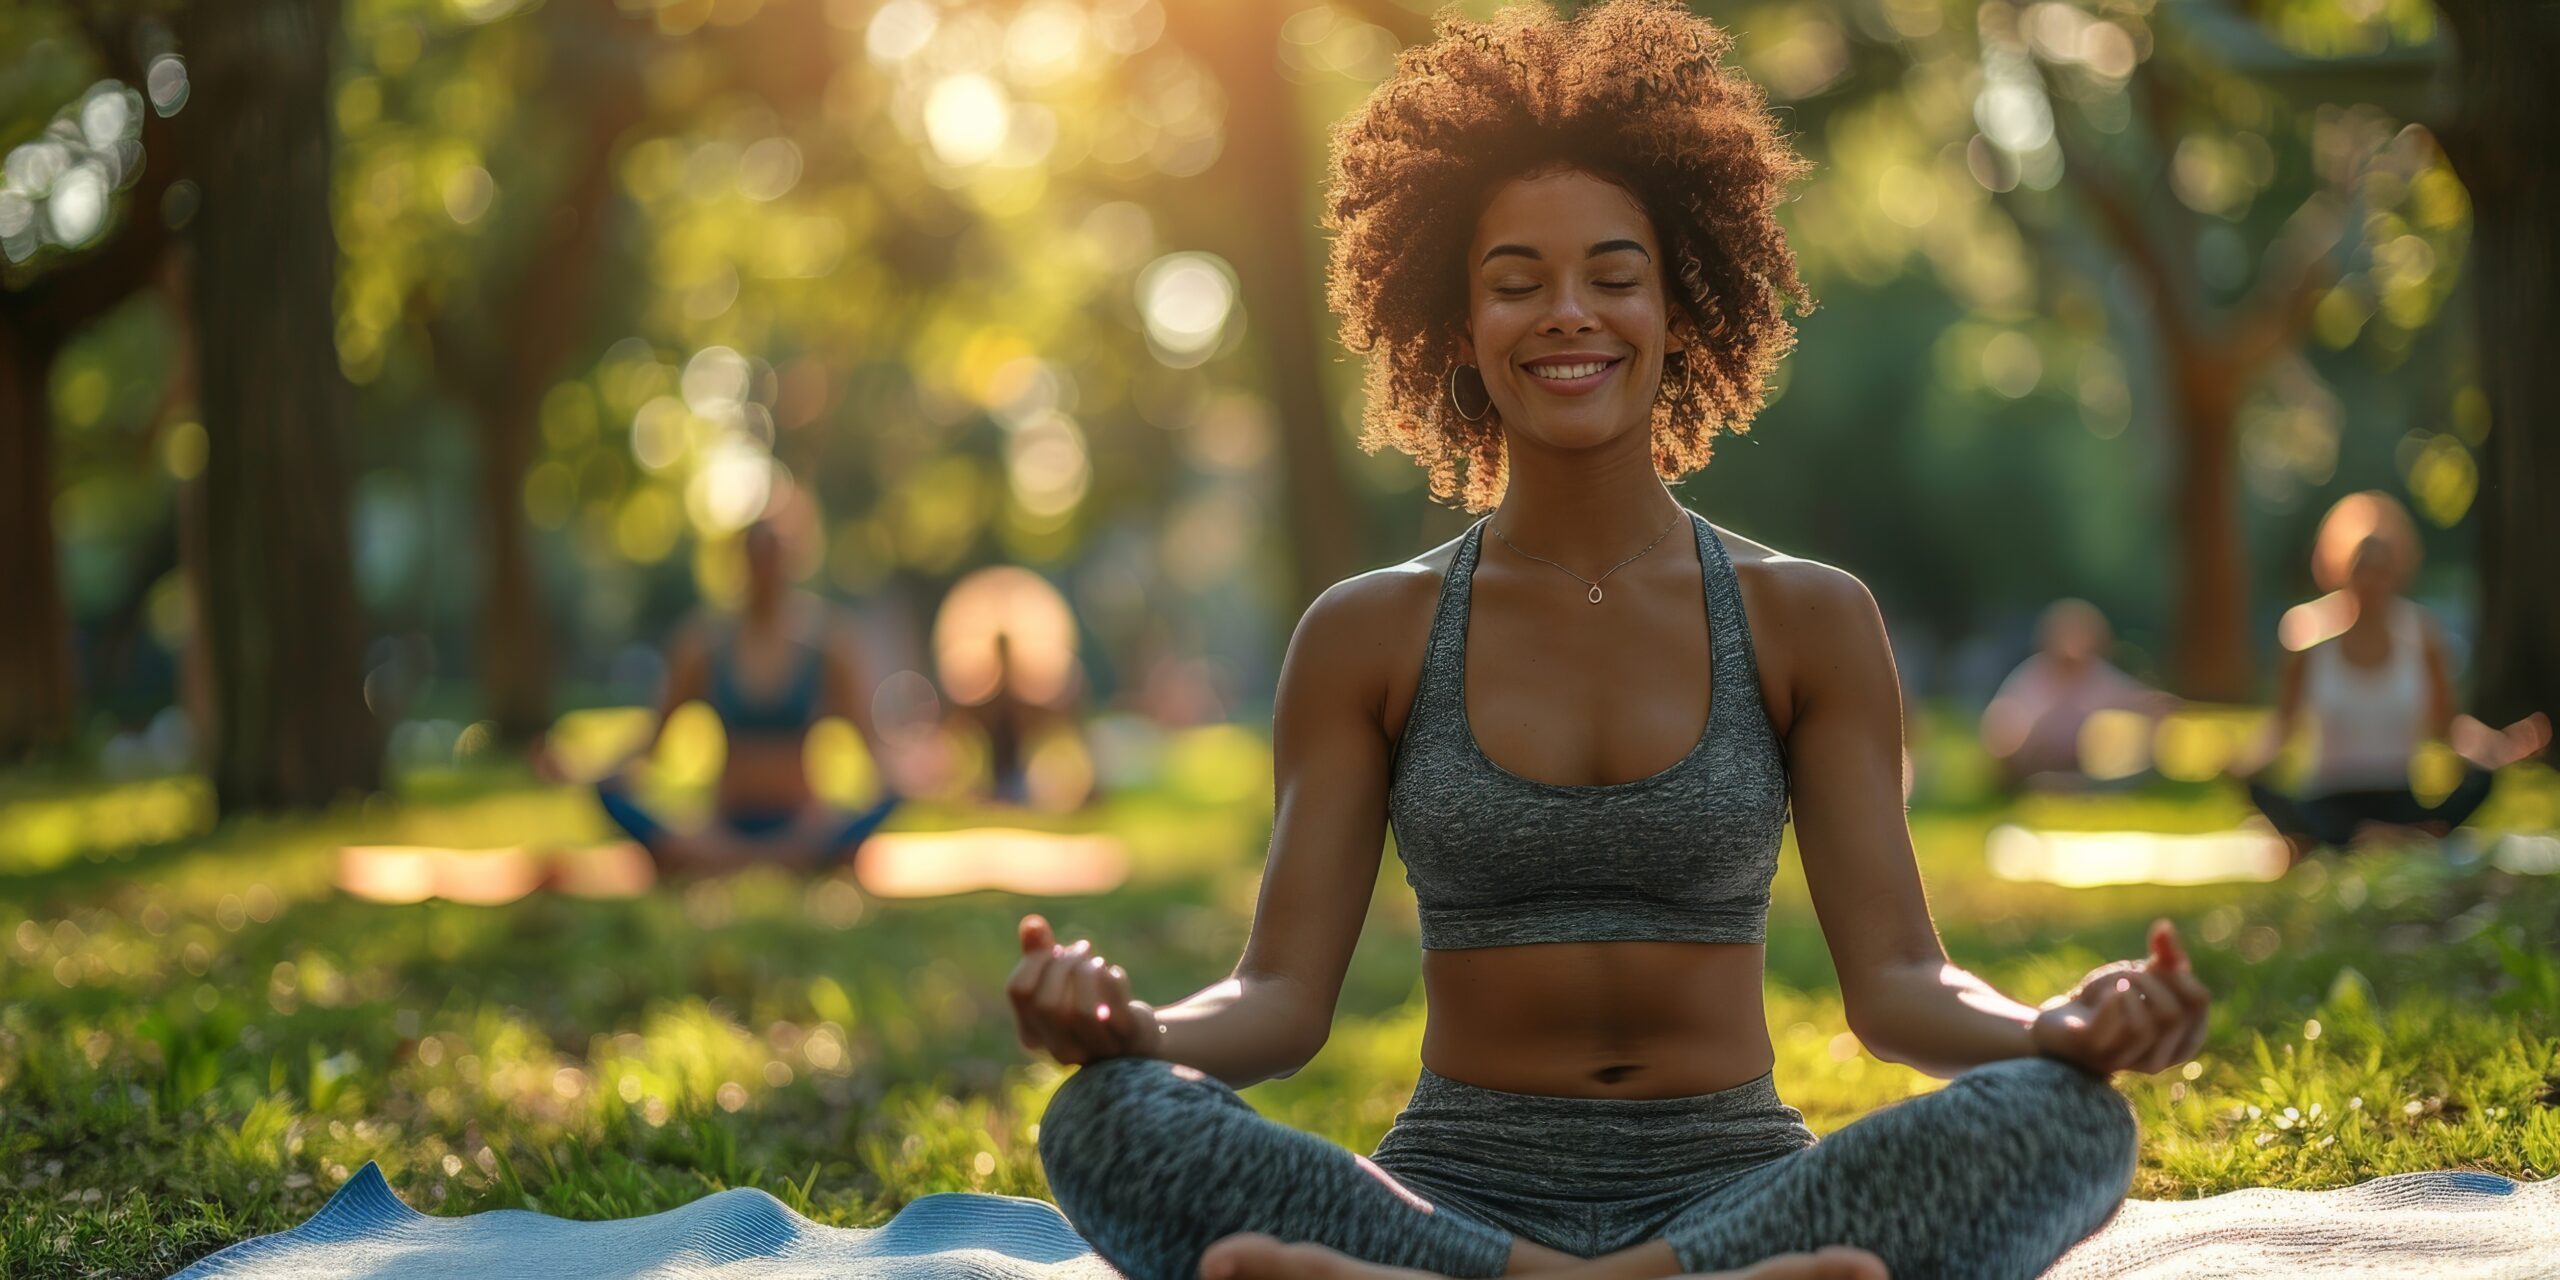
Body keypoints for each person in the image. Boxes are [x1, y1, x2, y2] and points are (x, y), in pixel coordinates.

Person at [1007, 6, 2209, 1279]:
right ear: (1458, 324)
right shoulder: (1369, 634)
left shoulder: (1805, 616)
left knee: (2069, 1118)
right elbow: (1278, 1001)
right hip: (1454, 1190)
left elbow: (1905, 982)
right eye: (1516, 282)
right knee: (1108, 1117)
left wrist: (2056, 1026)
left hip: (1735, 1185)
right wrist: (1139, 1030)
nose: (1567, 313)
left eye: (1613, 276)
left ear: (1680, 308)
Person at [2236, 499, 2550, 862]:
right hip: (2330, 801)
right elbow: (2284, 727)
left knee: (2481, 781)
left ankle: (2369, 838)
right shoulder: (2306, 636)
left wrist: (2498, 748)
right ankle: (2391, 838)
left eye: (2380, 569)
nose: (2371, 580)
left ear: (2397, 571)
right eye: (2362, 567)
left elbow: (2445, 729)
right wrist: (2243, 762)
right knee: (2266, 793)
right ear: (2341, 567)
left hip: (2400, 798)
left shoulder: (2422, 635)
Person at [593, 516, 901, 874]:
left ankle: (772, 859)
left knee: (874, 814)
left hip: (806, 829)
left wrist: (910, 775)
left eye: (774, 556)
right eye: (756, 556)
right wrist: (591, 769)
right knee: (616, 802)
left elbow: (872, 746)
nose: (765, 569)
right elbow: (652, 743)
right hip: (722, 829)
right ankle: (747, 859)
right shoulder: (703, 646)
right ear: (739, 563)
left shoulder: (827, 646)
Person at [1979, 600, 2177, 790]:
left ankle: (2069, 784)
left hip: (2085, 761)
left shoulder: (2101, 677)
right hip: (2037, 758)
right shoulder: (2030, 676)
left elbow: (2143, 702)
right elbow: (2003, 725)